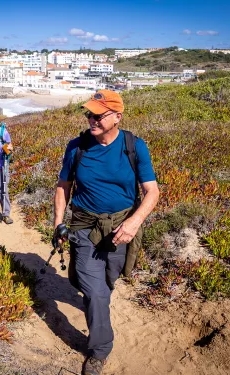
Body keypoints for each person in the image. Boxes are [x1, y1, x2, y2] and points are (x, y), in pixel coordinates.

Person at [53, 90, 159, 375]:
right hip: (85, 227)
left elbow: (152, 191)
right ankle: (100, 350)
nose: (92, 119)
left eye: (98, 115)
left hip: (121, 229)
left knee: (108, 282)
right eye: (89, 114)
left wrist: (134, 223)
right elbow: (64, 186)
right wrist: (58, 223)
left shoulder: (134, 146)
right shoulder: (77, 147)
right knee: (95, 291)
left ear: (117, 117)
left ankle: (96, 306)